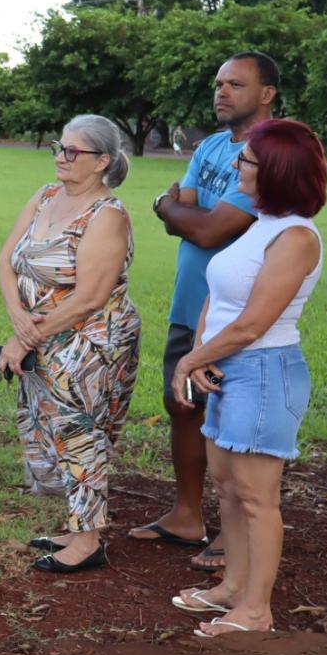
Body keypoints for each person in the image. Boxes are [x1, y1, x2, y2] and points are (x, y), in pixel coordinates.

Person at [169, 120, 326, 636]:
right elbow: (220, 295)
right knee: (227, 486)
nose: (237, 167)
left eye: (248, 161)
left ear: (277, 170)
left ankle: (256, 610)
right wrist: (199, 350)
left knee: (258, 497)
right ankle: (232, 587)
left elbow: (255, 322)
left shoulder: (296, 236)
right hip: (225, 364)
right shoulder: (259, 222)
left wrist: (192, 363)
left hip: (263, 371)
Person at [132, 52, 277, 569]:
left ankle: (233, 533)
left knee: (230, 418)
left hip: (238, 310)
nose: (222, 92)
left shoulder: (273, 152)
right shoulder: (212, 146)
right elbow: (192, 213)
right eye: (219, 83)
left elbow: (210, 228)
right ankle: (187, 516)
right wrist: (181, 212)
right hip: (190, 299)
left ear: (267, 94)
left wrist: (166, 207)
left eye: (236, 84)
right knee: (184, 406)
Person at [0, 115, 141, 573]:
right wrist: (20, 321)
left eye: (73, 151)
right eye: (59, 147)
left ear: (102, 162)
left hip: (89, 340)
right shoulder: (45, 195)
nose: (61, 156)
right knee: (48, 432)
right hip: (40, 333)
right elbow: (7, 259)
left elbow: (91, 297)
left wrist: (26, 338)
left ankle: (89, 541)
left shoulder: (107, 215)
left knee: (78, 433)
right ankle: (76, 525)